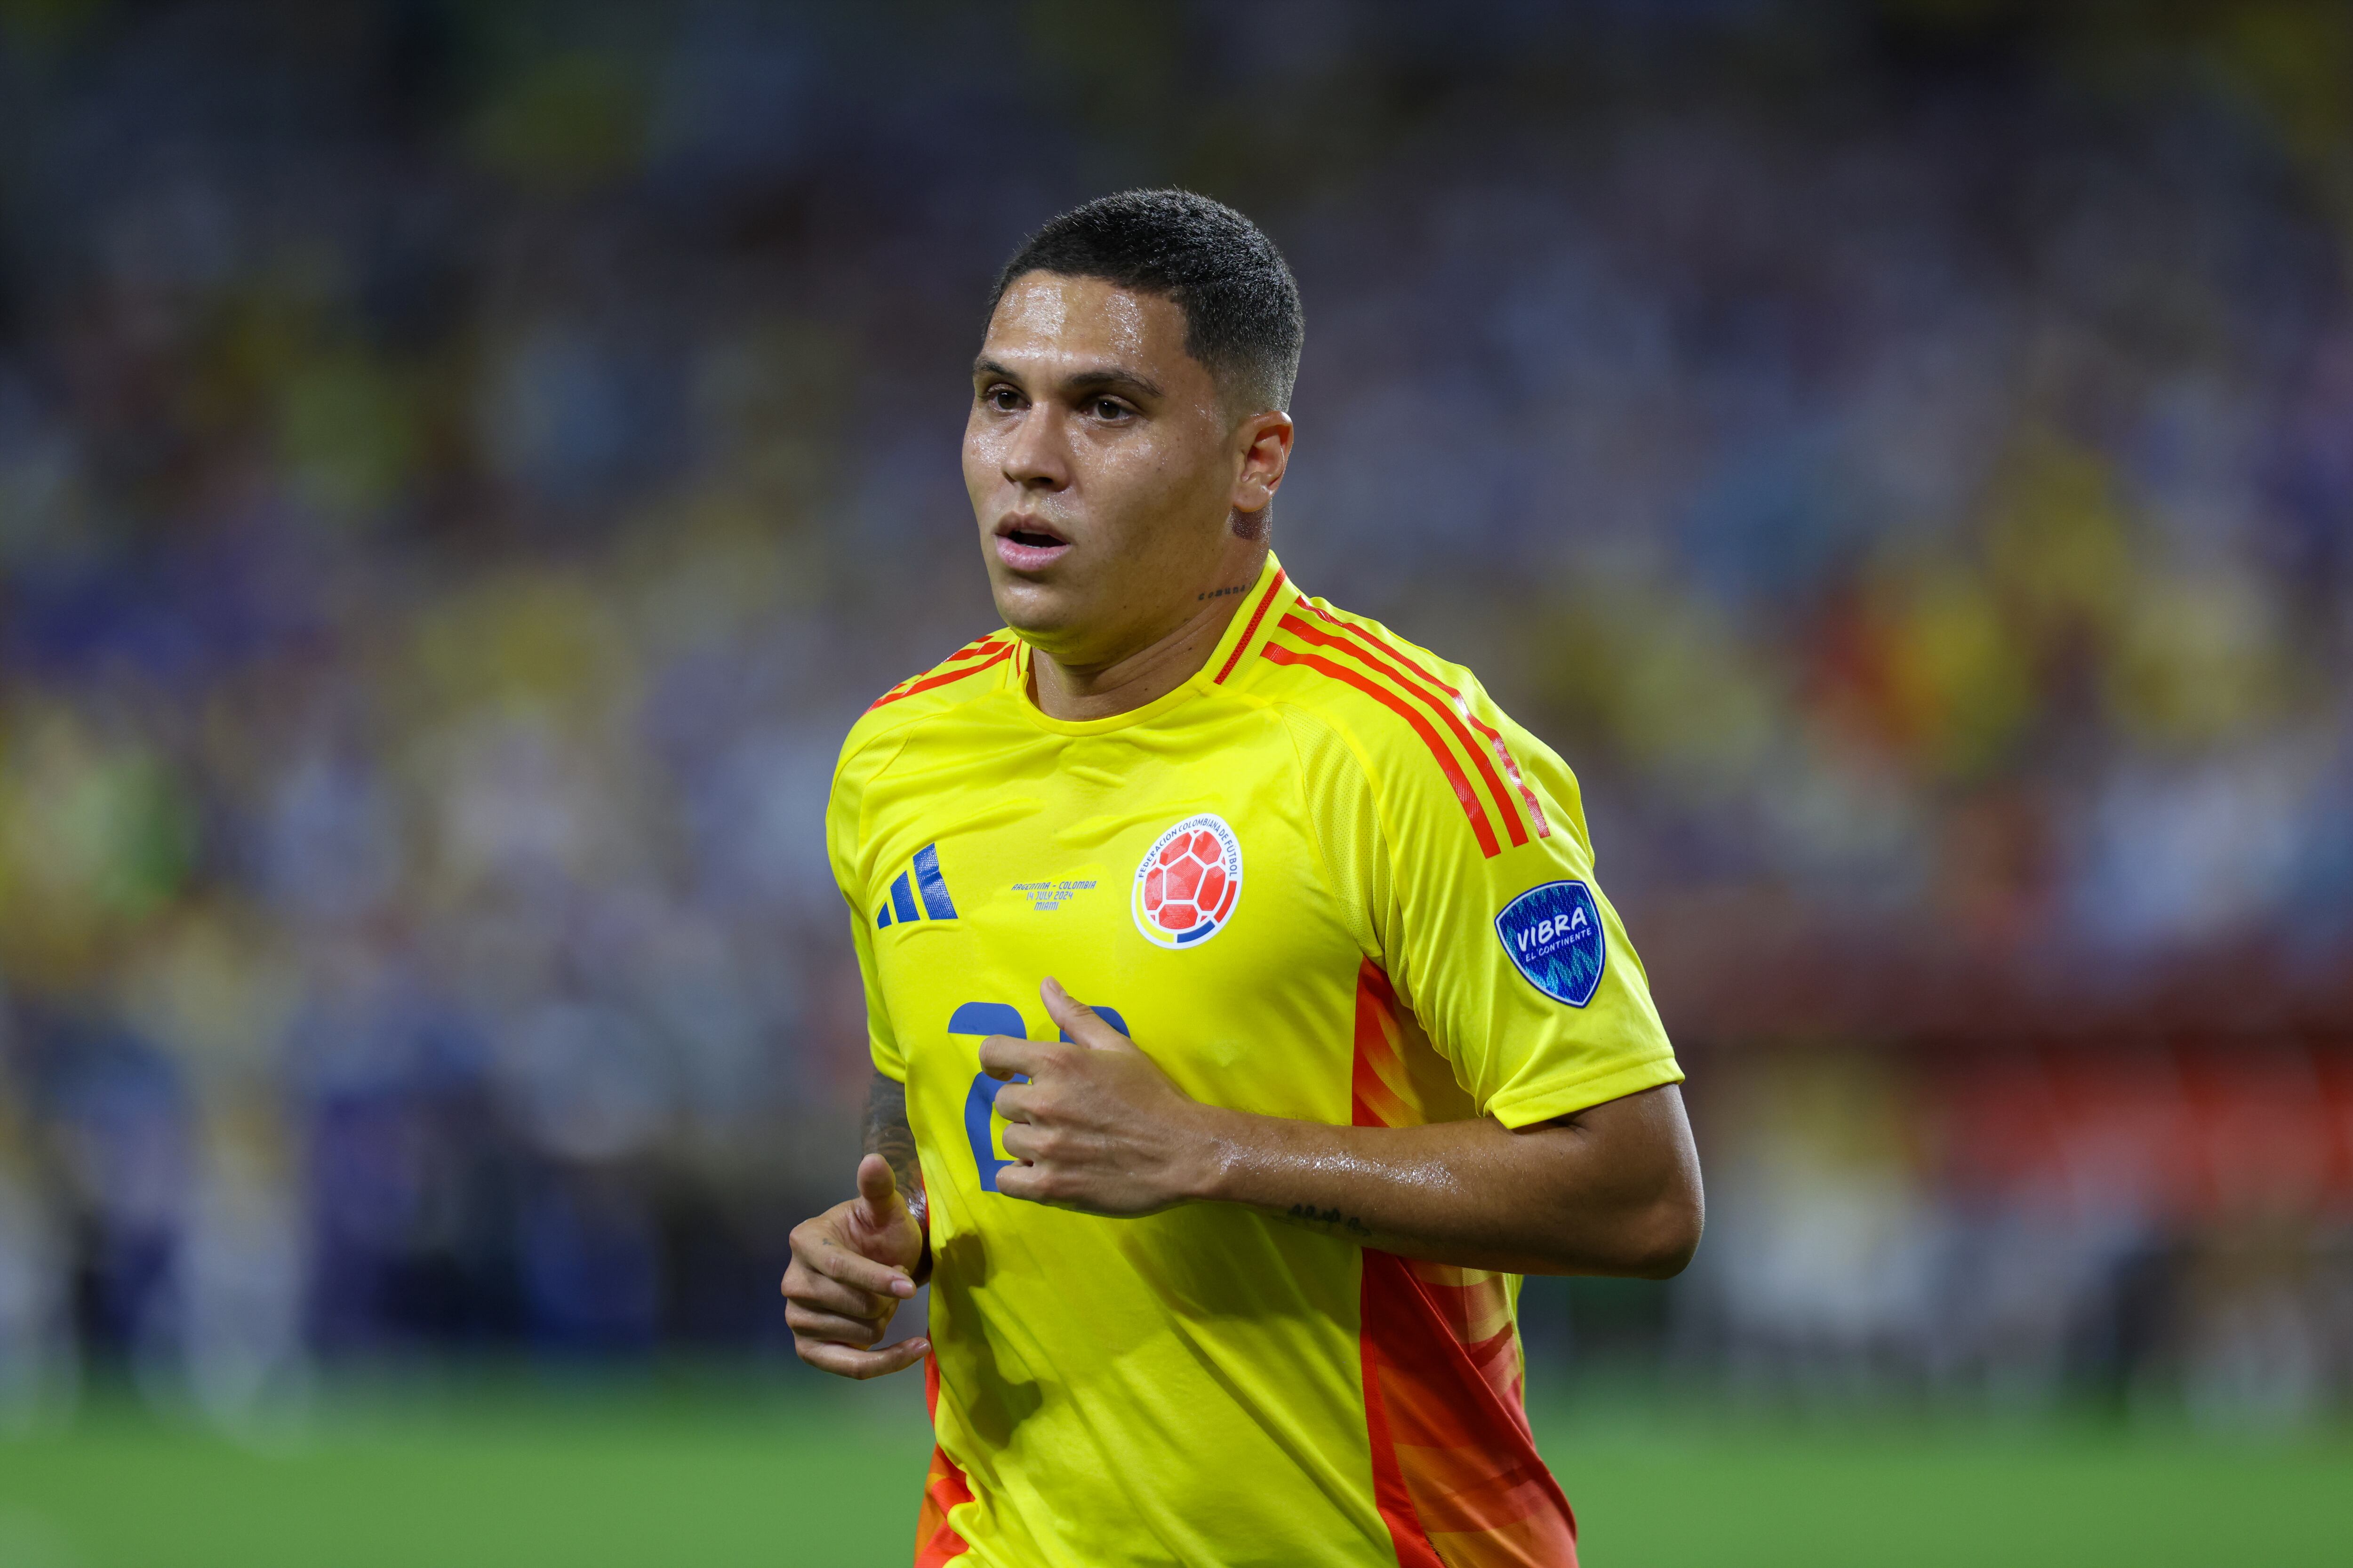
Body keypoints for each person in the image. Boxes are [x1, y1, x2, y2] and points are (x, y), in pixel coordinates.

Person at [783, 189, 1702, 1568]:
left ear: (1254, 460)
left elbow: (1641, 1196)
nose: (1029, 458)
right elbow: (918, 1075)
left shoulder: (1404, 754)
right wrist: (897, 1222)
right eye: (1000, 398)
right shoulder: (898, 756)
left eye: (1106, 410)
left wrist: (1215, 1151)